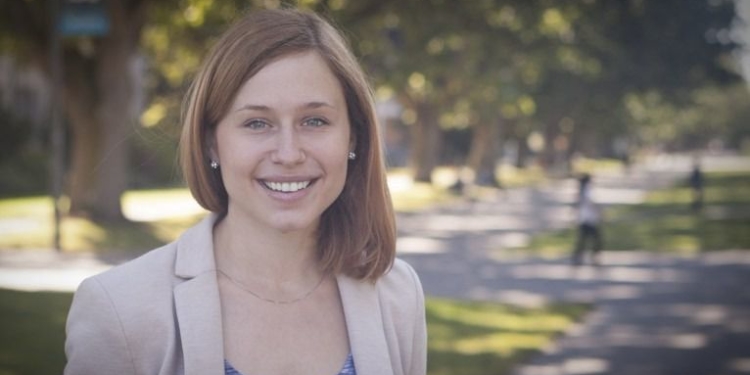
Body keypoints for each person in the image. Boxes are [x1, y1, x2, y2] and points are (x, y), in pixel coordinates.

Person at [64, 8, 426, 375]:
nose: (288, 154)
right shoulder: (118, 310)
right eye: (256, 123)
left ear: (354, 135)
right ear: (211, 143)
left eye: (315, 121)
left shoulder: (398, 295)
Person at [571, 173, 603, 266]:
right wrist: (599, 212)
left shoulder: (581, 191)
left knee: (583, 239)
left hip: (583, 218)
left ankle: (578, 256)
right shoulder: (587, 190)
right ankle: (593, 256)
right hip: (589, 219)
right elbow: (590, 202)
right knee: (595, 239)